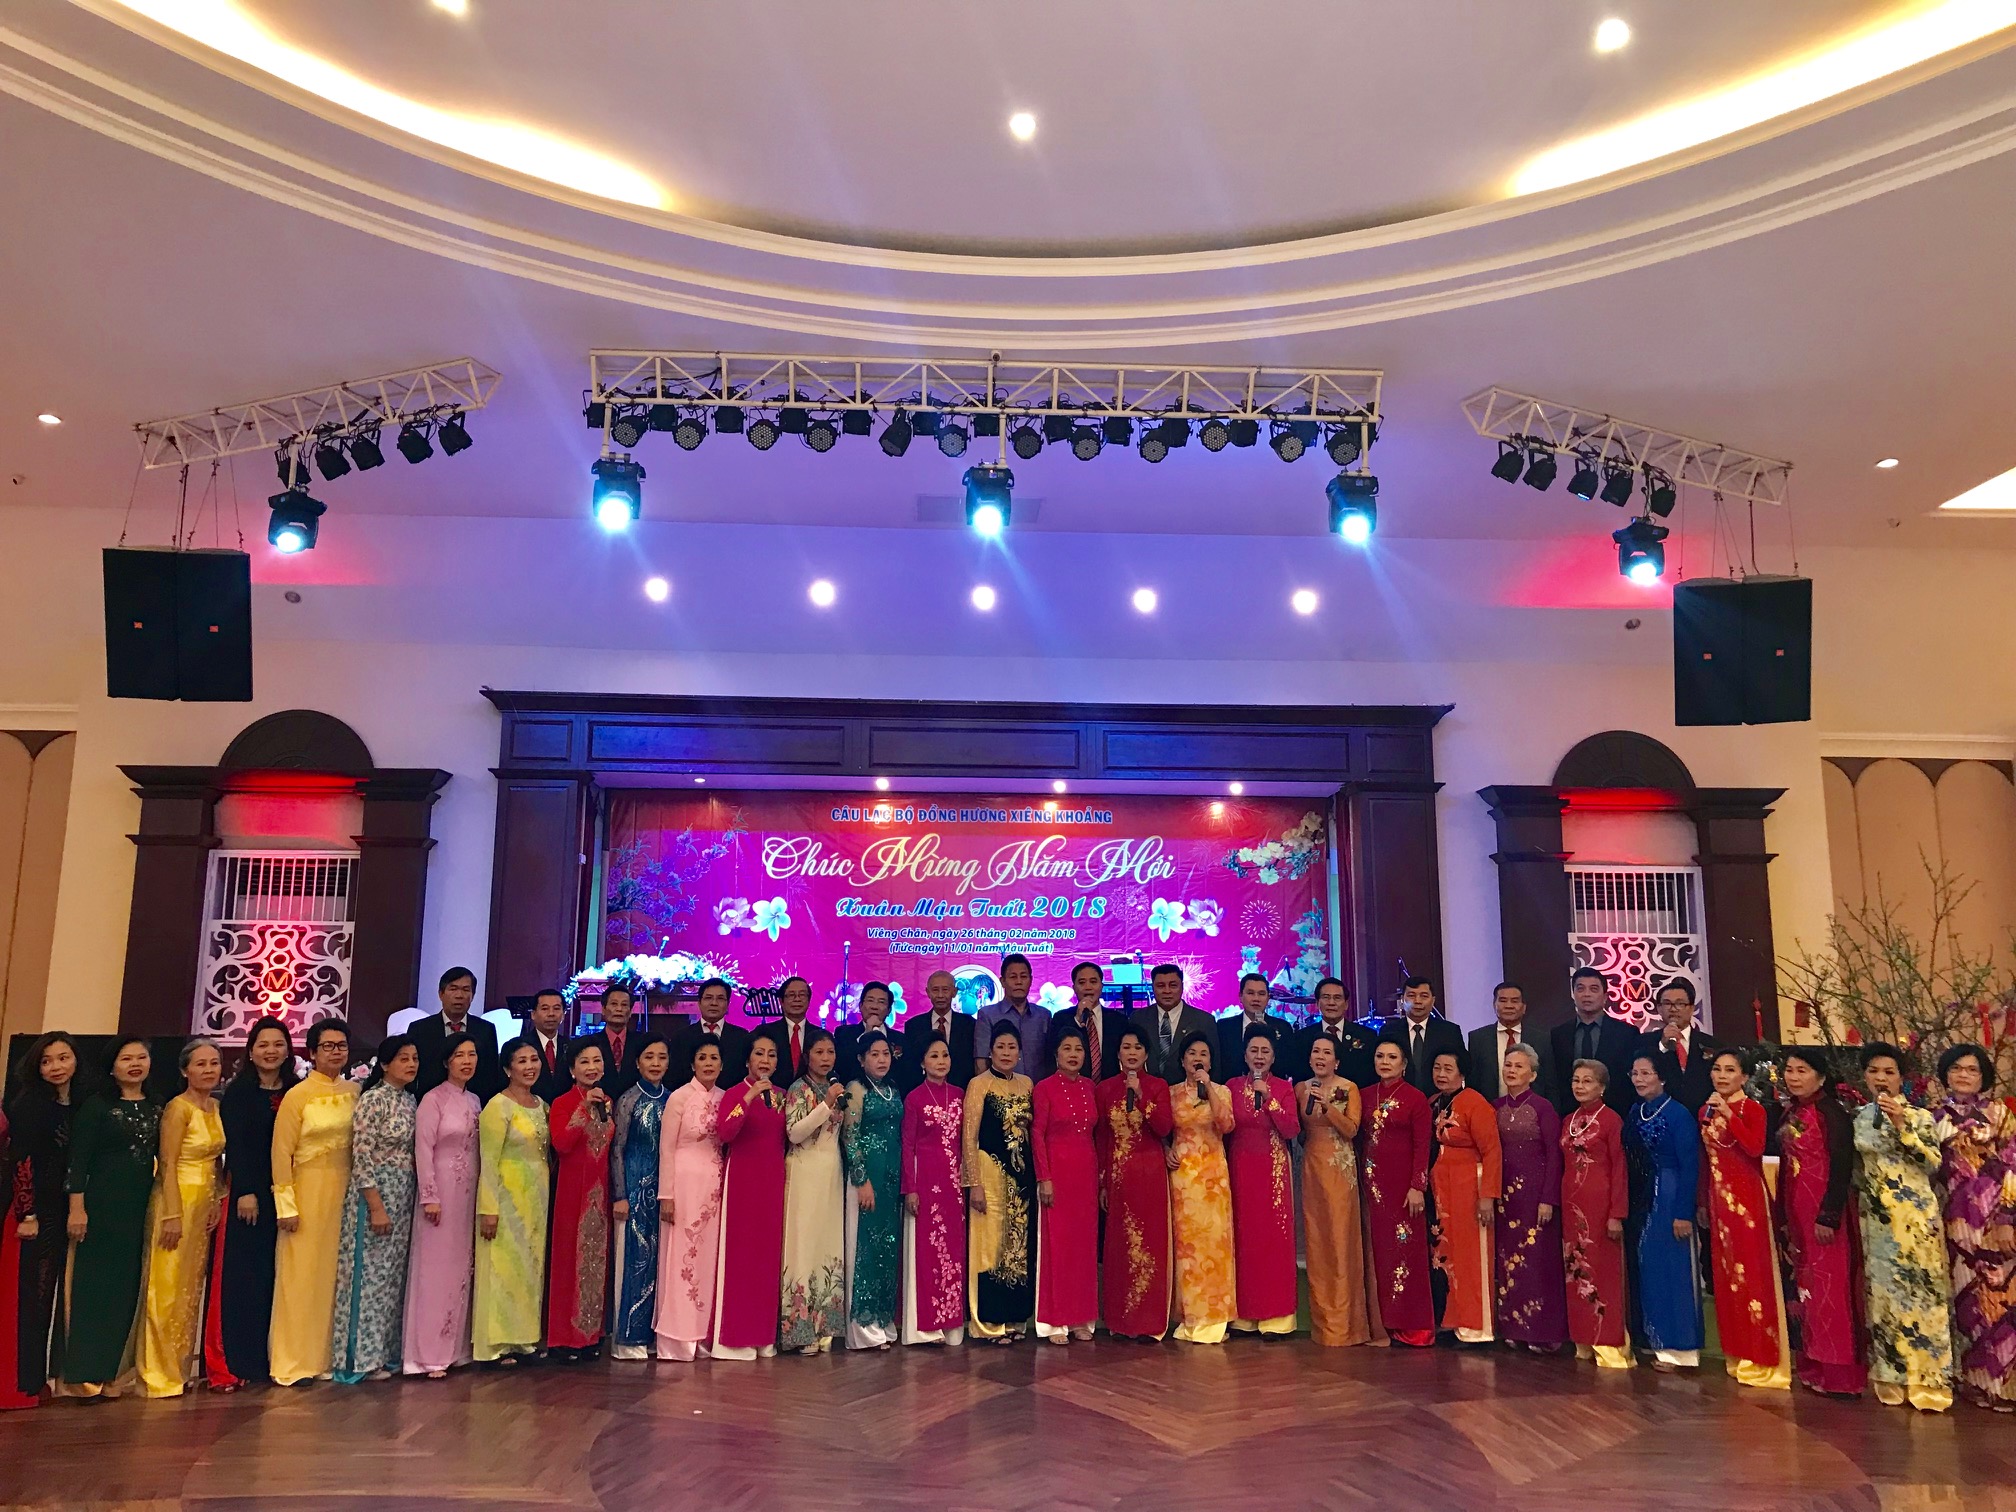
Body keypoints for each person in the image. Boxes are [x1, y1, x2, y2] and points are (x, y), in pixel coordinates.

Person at [1852, 1041, 1952, 1412]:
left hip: (1915, 1218)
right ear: (1865, 1077)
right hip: (1877, 1220)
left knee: (1923, 1297)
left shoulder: (1921, 1117)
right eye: (1874, 1071)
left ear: (1901, 1079)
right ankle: (1891, 1377)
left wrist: (1900, 1124)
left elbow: (1931, 1162)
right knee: (1884, 1301)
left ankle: (1928, 1382)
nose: (1881, 1078)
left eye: (1889, 1072)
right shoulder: (1860, 1117)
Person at [60, 1037, 159, 1397]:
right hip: (100, 1207)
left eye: (141, 1057)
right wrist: (77, 1208)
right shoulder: (97, 1106)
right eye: (126, 1058)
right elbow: (78, 1161)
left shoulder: (156, 1106)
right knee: (94, 1289)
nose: (135, 1064)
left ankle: (114, 1373)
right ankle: (84, 1376)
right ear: (112, 1066)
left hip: (138, 1207)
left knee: (125, 1289)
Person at [270, 1017, 359, 1386]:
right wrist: (286, 1205)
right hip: (306, 1190)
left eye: (341, 1046)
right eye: (328, 1046)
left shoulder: (355, 1092)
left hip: (345, 1192)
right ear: (312, 1052)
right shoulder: (298, 1095)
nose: (335, 1052)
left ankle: (327, 1357)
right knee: (301, 1276)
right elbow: (281, 1153)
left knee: (335, 1277)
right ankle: (293, 1361)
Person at [134, 1039, 225, 1397]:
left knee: (189, 1290)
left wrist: (216, 1199)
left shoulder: (215, 1106)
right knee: (166, 1287)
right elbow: (168, 1163)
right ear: (185, 1070)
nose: (208, 1070)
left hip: (203, 1203)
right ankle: (157, 1373)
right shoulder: (178, 1108)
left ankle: (179, 1367)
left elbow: (216, 1161)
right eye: (200, 1064)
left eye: (214, 1063)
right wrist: (172, 1213)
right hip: (176, 1200)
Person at [1696, 1048, 1791, 1390]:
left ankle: (1763, 1357)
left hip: (1747, 1202)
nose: (1721, 1076)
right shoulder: (1704, 1110)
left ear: (1745, 1077)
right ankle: (1737, 1352)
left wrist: (1729, 1115)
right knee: (1726, 1278)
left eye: (1730, 1070)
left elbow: (1754, 1148)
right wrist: (1702, 1201)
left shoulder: (1752, 1109)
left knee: (1752, 1276)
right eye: (1717, 1069)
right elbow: (1706, 1158)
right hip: (1718, 1201)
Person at [1777, 1045, 1868, 1397]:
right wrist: (1784, 1216)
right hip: (1798, 1211)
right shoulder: (1792, 1112)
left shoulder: (1832, 1113)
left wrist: (1829, 1215)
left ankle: (1841, 1376)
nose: (1793, 1076)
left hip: (1825, 1214)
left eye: (1802, 1070)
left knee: (1833, 1289)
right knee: (1807, 1290)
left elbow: (1842, 1166)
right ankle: (1813, 1364)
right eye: (1790, 1070)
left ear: (1821, 1077)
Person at [330, 1034, 419, 1384]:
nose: (410, 1064)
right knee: (368, 1278)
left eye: (414, 1058)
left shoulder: (410, 1100)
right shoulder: (372, 1100)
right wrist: (376, 1206)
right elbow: (362, 1156)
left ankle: (385, 1353)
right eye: (403, 1058)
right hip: (374, 1195)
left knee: (392, 1278)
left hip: (403, 1194)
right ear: (384, 1064)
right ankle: (359, 1359)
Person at [1932, 1041, 2016, 1411]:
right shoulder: (1934, 1117)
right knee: (1967, 1303)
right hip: (1955, 1223)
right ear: (1945, 1074)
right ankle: (1975, 1381)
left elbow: (2013, 1165)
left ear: (1983, 1076)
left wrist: (2008, 1219)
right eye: (1956, 1068)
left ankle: (2004, 1387)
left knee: (2000, 1301)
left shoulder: (2000, 1114)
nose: (1963, 1075)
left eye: (1972, 1069)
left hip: (1995, 1219)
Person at [217, 1015, 295, 1386]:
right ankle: (244, 1361)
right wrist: (246, 1190)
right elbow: (236, 1145)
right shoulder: (239, 1093)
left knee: (280, 1274)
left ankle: (277, 1355)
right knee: (249, 1274)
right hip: (251, 1193)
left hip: (287, 1191)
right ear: (250, 1051)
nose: (271, 1051)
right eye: (263, 1045)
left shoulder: (295, 1090)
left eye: (278, 1044)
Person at [3, 1030, 79, 1406]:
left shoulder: (80, 1103)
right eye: (46, 1061)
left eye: (63, 1058)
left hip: (68, 1207)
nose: (55, 1067)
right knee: (34, 1295)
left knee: (55, 1297)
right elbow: (22, 1161)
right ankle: (28, 1379)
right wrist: (28, 1212)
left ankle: (44, 1375)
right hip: (39, 1211)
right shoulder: (30, 1105)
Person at [403, 1031, 482, 1378]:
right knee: (434, 1271)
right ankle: (427, 1354)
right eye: (460, 1055)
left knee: (461, 1269)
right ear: (447, 1061)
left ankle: (456, 1349)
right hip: (440, 1194)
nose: (467, 1061)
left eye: (472, 1054)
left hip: (468, 1194)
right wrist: (429, 1196)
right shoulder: (432, 1100)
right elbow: (423, 1150)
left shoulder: (476, 1101)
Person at [1298, 1031, 1379, 1346]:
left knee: (1341, 1240)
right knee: (1318, 1242)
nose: (1320, 1057)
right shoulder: (1300, 1089)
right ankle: (1324, 1326)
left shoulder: (1349, 1088)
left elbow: (1352, 1129)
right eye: (1315, 1051)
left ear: (1337, 1061)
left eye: (1326, 1052)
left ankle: (1347, 1326)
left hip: (1341, 1168)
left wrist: (1328, 1107)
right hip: (1312, 1167)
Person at [710, 1035, 787, 1361]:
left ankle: (763, 1335)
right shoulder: (734, 1093)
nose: (765, 1060)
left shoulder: (782, 1096)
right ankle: (735, 1338)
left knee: (767, 1259)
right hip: (743, 1180)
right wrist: (749, 1097)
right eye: (759, 1054)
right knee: (741, 1257)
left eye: (771, 1054)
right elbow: (725, 1133)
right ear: (747, 1060)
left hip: (773, 1180)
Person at [473, 1039, 550, 1365]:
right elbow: (488, 1162)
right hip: (505, 1198)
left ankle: (524, 1340)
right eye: (522, 1061)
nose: (530, 1066)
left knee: (530, 1268)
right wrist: (488, 1209)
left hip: (537, 1198)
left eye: (534, 1059)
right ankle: (494, 1346)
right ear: (507, 1068)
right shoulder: (497, 1106)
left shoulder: (542, 1105)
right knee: (502, 1268)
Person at [1625, 1054, 1702, 1370]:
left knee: (1674, 1269)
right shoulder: (1636, 1111)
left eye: (1646, 1073)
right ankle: (1655, 1341)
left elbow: (1690, 1166)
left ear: (1663, 1077)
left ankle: (1681, 1349)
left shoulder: (1678, 1114)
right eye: (1635, 1073)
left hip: (1670, 1195)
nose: (1639, 1079)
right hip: (1643, 1196)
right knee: (1650, 1268)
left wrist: (1683, 1212)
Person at [1359, 1033, 1435, 1344]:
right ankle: (1383, 1325)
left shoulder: (1416, 1099)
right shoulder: (1364, 1095)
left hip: (1403, 1189)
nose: (1385, 1062)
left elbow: (1422, 1146)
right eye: (1380, 1056)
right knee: (1379, 1253)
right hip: (1371, 1187)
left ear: (1404, 1064)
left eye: (1392, 1057)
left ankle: (1414, 1327)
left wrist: (1417, 1186)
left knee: (1406, 1252)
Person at [654, 1037, 727, 1362]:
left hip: (716, 1185)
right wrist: (666, 1194)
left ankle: (705, 1334)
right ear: (692, 1064)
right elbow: (666, 1148)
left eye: (714, 1058)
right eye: (702, 1057)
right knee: (682, 1254)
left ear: (722, 1065)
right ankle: (678, 1339)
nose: (708, 1063)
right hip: (683, 1184)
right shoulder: (679, 1097)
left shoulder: (726, 1098)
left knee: (709, 1257)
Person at [965, 1023, 1038, 1343]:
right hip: (990, 1176)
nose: (1006, 1053)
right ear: (990, 1051)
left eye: (1012, 1047)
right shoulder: (978, 1084)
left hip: (1021, 1179)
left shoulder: (1027, 1084)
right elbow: (969, 1137)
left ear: (1020, 1052)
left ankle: (1015, 1318)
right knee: (990, 1246)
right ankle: (989, 1322)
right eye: (1000, 1047)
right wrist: (974, 1183)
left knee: (1018, 1246)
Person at [1493, 1043, 1566, 1352]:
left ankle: (1542, 1332)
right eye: (1508, 1064)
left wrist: (1549, 1198)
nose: (1511, 1070)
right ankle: (1512, 1327)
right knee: (1507, 1261)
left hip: (1536, 1197)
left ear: (1533, 1074)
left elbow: (1554, 1155)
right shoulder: (1494, 1107)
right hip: (1504, 1197)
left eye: (1519, 1066)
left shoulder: (1543, 1108)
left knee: (1537, 1261)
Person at [1226, 1024, 1299, 1336]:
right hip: (1240, 1168)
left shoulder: (1283, 1088)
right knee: (1244, 1238)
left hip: (1273, 1172)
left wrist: (1270, 1100)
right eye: (1253, 1050)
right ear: (1244, 1055)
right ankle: (1245, 1314)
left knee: (1274, 1240)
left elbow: (1292, 1130)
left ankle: (1276, 1317)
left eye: (1265, 1051)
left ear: (1273, 1057)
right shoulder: (1230, 1086)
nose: (1259, 1056)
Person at [546, 1040, 615, 1361]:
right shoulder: (562, 1103)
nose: (592, 1067)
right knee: (568, 1261)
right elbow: (561, 1144)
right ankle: (563, 1339)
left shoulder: (608, 1102)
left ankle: (590, 1336)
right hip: (572, 1192)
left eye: (597, 1061)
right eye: (584, 1062)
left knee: (594, 1263)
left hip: (599, 1194)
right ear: (572, 1070)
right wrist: (583, 1109)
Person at [1561, 1059, 1632, 1368]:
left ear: (1602, 1087)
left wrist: (1617, 1213)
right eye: (1576, 1080)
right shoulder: (1569, 1119)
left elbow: (1619, 1169)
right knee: (1575, 1270)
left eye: (1587, 1081)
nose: (1579, 1086)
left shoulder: (1611, 1120)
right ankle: (1584, 1340)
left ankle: (1610, 1345)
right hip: (1571, 1207)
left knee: (1602, 1272)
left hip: (1601, 1207)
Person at [1166, 1029, 1236, 1344]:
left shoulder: (1222, 1091)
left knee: (1215, 1245)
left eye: (1203, 1054)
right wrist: (1165, 1149)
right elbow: (1162, 1130)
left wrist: (1209, 1089)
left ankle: (1215, 1320)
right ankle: (1189, 1318)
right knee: (1186, 1249)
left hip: (1213, 1177)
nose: (1198, 1059)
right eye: (1192, 1054)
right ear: (1182, 1060)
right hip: (1182, 1178)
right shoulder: (1171, 1094)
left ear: (1210, 1062)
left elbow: (1227, 1124)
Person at [780, 1029, 847, 1355]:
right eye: (819, 1052)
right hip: (804, 1172)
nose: (825, 1058)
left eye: (830, 1052)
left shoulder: (837, 1087)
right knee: (803, 1246)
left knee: (827, 1244)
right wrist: (826, 1104)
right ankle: (800, 1329)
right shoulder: (798, 1089)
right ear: (807, 1056)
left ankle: (825, 1326)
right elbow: (794, 1133)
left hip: (831, 1173)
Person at [1031, 1026, 1099, 1343]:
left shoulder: (1090, 1087)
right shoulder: (1044, 1088)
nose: (1073, 1054)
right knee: (1057, 1247)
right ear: (1056, 1054)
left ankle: (1080, 1318)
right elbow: (1037, 1134)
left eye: (1079, 1049)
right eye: (1067, 1048)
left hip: (1086, 1175)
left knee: (1083, 1248)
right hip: (1056, 1175)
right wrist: (1043, 1177)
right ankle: (1054, 1322)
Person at [1428, 1046, 1499, 1346]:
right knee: (1446, 1254)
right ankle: (1453, 1321)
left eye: (1448, 1068)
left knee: (1471, 1256)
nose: (1441, 1074)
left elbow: (1492, 1151)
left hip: (1470, 1186)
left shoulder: (1475, 1103)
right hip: (1443, 1189)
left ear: (1462, 1073)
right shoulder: (1434, 1103)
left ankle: (1477, 1327)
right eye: (1437, 1068)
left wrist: (1488, 1196)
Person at [900, 1036, 967, 1345]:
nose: (941, 1061)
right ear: (922, 1063)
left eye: (945, 1055)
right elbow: (907, 1145)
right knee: (928, 1251)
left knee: (953, 1252)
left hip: (953, 1185)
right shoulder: (914, 1098)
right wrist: (910, 1188)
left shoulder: (960, 1095)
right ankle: (925, 1327)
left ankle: (951, 1323)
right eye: (934, 1056)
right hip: (926, 1183)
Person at [609, 1036, 672, 1360]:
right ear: (637, 1062)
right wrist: (620, 1194)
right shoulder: (628, 1099)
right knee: (634, 1260)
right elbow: (617, 1149)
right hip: (634, 1188)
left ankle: (653, 1334)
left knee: (660, 1262)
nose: (656, 1063)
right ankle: (627, 1339)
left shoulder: (672, 1099)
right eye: (649, 1057)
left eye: (662, 1057)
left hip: (663, 1191)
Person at [841, 1030, 903, 1350]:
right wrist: (861, 1179)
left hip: (891, 1180)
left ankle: (881, 1318)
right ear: (861, 1059)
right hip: (866, 1180)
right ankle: (862, 1328)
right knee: (865, 1248)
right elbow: (850, 1137)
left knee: (886, 1251)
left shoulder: (893, 1089)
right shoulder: (856, 1088)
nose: (881, 1060)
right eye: (874, 1054)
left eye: (886, 1054)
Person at [1549, 968, 1638, 1115]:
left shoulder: (1627, 1033)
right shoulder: (1558, 1034)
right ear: (1573, 994)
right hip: (1569, 1114)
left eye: (1594, 989)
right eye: (1580, 989)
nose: (1587, 994)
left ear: (1605, 996)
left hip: (1616, 1112)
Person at [409, 966, 503, 1102]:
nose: (459, 995)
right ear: (441, 994)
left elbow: (491, 1075)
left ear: (473, 995)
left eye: (466, 990)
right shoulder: (419, 1029)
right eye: (453, 989)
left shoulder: (486, 1030)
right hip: (429, 1103)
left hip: (475, 1105)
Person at [1635, 978, 1721, 1114]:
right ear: (1659, 1009)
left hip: (1702, 1115)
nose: (1673, 1009)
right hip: (1659, 1114)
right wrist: (1663, 1046)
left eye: (1680, 1004)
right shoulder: (1644, 1042)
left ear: (1691, 1008)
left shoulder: (1711, 1044)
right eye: (1667, 1003)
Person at [1468, 983, 1558, 1105]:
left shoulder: (1541, 1039)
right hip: (1488, 1110)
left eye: (1514, 1001)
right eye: (1503, 1001)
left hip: (1532, 1111)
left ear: (1524, 1007)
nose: (1509, 1006)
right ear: (1494, 1005)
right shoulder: (1478, 1038)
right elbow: (1473, 1083)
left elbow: (1550, 1084)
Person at [1131, 963, 1218, 1083]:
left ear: (1182, 986)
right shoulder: (1138, 1018)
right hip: (1145, 1090)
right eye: (1161, 986)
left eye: (1173, 985)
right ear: (1152, 987)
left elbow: (1215, 1067)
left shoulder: (1204, 1021)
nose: (1167, 991)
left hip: (1190, 1091)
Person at [1046, 960, 1128, 1082]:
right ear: (1074, 988)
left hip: (1109, 1087)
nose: (1088, 987)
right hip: (1073, 1086)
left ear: (1101, 986)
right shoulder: (1061, 1018)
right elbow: (1053, 1052)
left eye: (1093, 982)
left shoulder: (1118, 1020)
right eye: (1082, 982)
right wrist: (1078, 1020)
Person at [1285, 976, 1375, 1086]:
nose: (1331, 1003)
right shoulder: (1301, 1038)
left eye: (1337, 998)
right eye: (1326, 997)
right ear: (1317, 1003)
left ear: (1346, 1004)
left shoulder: (1367, 1036)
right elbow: (1298, 1076)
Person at [901, 970, 978, 1091]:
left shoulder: (970, 1024)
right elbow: (910, 1065)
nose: (940, 995)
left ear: (954, 992)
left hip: (962, 1091)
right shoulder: (913, 1026)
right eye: (935, 990)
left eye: (945, 990)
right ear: (928, 992)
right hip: (924, 1092)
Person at [670, 978, 752, 1088]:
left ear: (728, 1004)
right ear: (699, 1003)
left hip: (732, 1097)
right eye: (708, 998)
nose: (714, 1003)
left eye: (720, 999)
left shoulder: (742, 1037)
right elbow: (674, 1077)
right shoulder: (681, 1037)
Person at [1390, 977, 1463, 1097]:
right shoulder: (1389, 1031)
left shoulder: (1450, 1031)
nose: (1417, 1001)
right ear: (1402, 999)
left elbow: (1460, 1068)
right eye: (1411, 996)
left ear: (1433, 1001)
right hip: (1399, 1098)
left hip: (1439, 1100)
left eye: (1424, 996)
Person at [978, 954, 1047, 1079]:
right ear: (1002, 981)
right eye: (1013, 977)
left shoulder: (1043, 1016)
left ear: (1031, 980)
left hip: (1038, 1088)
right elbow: (981, 1061)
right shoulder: (987, 1015)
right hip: (1000, 1088)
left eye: (1023, 976)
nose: (1019, 982)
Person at [575, 984, 645, 1100]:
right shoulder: (591, 1043)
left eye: (624, 1005)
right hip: (598, 1103)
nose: (619, 1009)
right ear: (603, 1009)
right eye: (614, 1004)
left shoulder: (641, 1042)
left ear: (630, 1011)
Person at [754, 976, 819, 1089]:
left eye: (802, 995)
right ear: (781, 1001)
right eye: (791, 995)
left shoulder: (818, 1035)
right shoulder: (764, 1032)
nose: (797, 999)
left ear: (809, 1000)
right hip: (772, 1093)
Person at [835, 981, 903, 1088]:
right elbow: (843, 1067)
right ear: (860, 1006)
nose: (874, 1006)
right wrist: (867, 1033)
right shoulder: (843, 1034)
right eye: (870, 1000)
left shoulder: (900, 1039)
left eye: (881, 1002)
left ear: (889, 1010)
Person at [524, 989, 573, 1104]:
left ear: (563, 1014)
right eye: (545, 1008)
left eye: (556, 1008)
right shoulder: (520, 1046)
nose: (551, 1014)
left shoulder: (571, 1046)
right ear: (533, 1014)